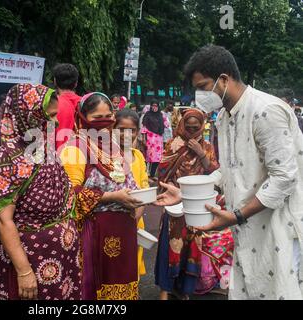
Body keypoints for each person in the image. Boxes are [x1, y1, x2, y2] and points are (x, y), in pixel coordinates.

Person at [156, 44, 303, 300]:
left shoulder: (266, 110)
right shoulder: (224, 117)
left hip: (278, 228)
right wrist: (186, 193)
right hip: (246, 229)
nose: (200, 95)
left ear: (223, 79)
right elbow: (229, 172)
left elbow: (284, 179)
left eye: (203, 87)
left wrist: (235, 216)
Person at [0, 83, 81, 300]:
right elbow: (4, 220)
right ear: (27, 116)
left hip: (61, 258)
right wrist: (24, 271)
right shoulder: (8, 156)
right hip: (32, 258)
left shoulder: (43, 147)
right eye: (49, 116)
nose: (56, 121)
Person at [60, 92, 143, 300]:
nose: (104, 122)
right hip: (94, 231)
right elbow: (70, 195)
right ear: (82, 117)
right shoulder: (74, 149)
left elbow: (129, 181)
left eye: (108, 116)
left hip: (124, 229)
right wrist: (112, 197)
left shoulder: (113, 147)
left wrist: (139, 203)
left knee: (121, 289)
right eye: (97, 118)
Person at [154, 109, 232, 300]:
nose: (191, 130)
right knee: (170, 246)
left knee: (192, 248)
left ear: (202, 126)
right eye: (188, 126)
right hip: (175, 202)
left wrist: (200, 153)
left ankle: (185, 290)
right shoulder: (173, 144)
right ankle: (165, 291)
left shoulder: (206, 146)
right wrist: (169, 187)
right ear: (182, 125)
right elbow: (162, 173)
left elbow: (214, 172)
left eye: (195, 127)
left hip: (197, 203)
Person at [114, 109, 149, 279]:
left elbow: (144, 191)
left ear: (137, 131)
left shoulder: (139, 156)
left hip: (135, 222)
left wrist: (135, 217)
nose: (126, 134)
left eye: (131, 130)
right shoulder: (103, 157)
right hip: (112, 223)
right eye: (121, 129)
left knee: (132, 269)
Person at [53, 63, 81, 151]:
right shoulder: (87, 103)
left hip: (58, 157)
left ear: (55, 81)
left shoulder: (52, 106)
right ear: (76, 83)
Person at [141, 99, 170, 178]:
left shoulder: (161, 115)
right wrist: (143, 139)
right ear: (151, 106)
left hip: (158, 140)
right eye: (153, 106)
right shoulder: (147, 114)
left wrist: (165, 117)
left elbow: (167, 125)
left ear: (158, 106)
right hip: (149, 140)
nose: (154, 107)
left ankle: (152, 174)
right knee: (148, 157)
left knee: (157, 158)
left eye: (156, 106)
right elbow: (144, 127)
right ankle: (145, 174)